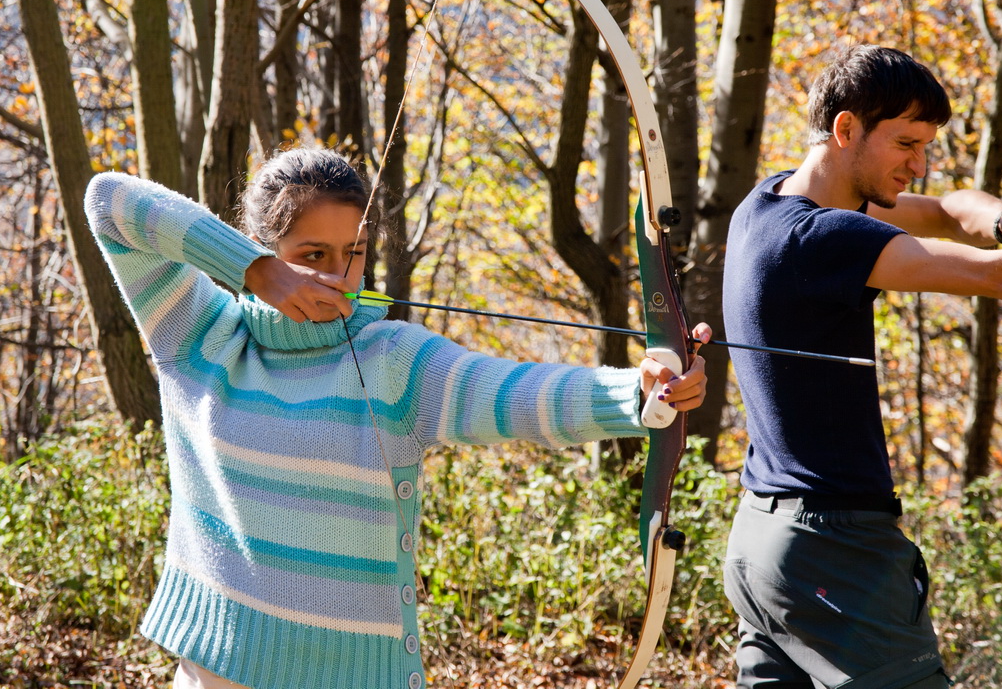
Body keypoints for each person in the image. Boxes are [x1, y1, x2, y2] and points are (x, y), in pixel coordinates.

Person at [84, 145, 710, 689]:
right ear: (267, 249)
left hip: (357, 672)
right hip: (220, 668)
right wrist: (253, 271)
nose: (337, 275)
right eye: (311, 253)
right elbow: (108, 201)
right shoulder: (199, 335)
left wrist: (638, 393)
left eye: (353, 253)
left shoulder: (392, 358)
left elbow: (509, 394)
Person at [721, 44, 1002, 688]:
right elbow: (995, 278)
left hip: (760, 543)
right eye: (906, 143)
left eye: (926, 146)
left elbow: (943, 211)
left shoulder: (766, 202)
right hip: (833, 545)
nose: (919, 164)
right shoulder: (824, 238)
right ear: (846, 128)